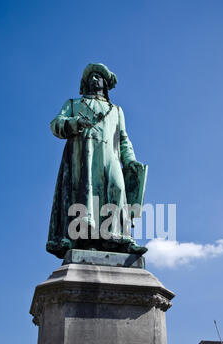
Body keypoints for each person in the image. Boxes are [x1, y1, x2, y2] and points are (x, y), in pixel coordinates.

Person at [46, 63, 147, 259]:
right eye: (90, 76)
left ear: (105, 83)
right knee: (86, 194)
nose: (94, 79)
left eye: (98, 76)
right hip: (84, 155)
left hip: (110, 156)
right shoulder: (74, 104)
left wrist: (131, 161)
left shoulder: (116, 110)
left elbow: (124, 139)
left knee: (117, 189)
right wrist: (74, 123)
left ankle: (120, 238)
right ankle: (86, 240)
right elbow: (56, 124)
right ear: (85, 83)